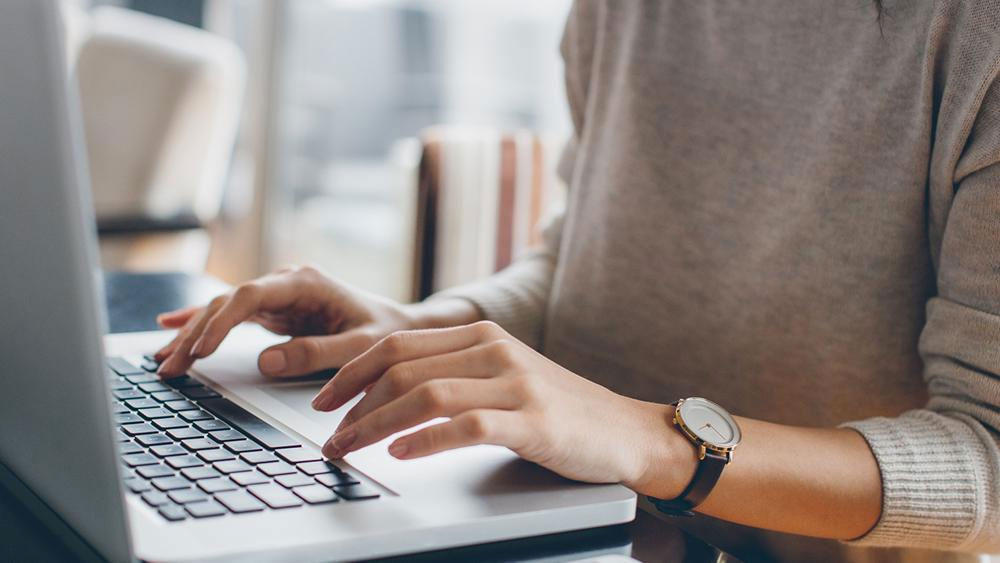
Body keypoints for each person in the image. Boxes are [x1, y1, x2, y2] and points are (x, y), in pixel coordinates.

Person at [154, 2, 1000, 561]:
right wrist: (422, 327)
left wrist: (658, 441)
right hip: (576, 533)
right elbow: (580, 261)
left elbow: (988, 458)